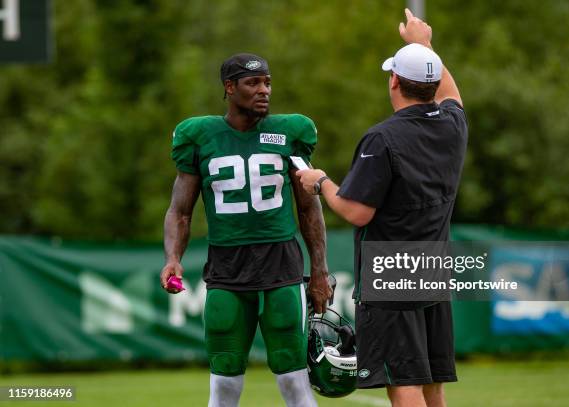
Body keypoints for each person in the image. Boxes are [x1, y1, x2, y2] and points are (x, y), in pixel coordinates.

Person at [296, 9, 468, 407]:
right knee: (432, 383)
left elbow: (358, 212)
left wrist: (319, 182)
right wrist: (423, 46)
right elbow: (451, 94)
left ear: (393, 80)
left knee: (403, 379)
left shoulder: (382, 138)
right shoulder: (452, 125)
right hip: (432, 266)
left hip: (391, 272)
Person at [160, 53, 332, 407]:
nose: (263, 90)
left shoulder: (289, 132)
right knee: (223, 380)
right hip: (226, 267)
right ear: (229, 87)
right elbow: (180, 211)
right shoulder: (200, 136)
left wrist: (319, 269)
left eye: (267, 82)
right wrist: (173, 257)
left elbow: (308, 207)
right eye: (253, 83)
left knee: (293, 379)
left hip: (281, 263)